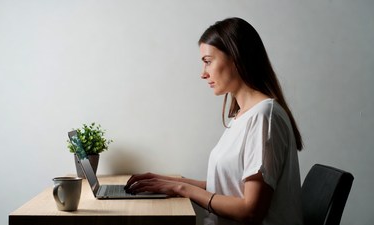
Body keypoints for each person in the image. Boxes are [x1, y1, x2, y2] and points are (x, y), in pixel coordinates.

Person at [124, 17, 304, 225]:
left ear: (236, 58)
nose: (203, 74)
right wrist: (168, 182)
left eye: (208, 61)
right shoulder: (243, 116)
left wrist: (181, 189)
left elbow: (250, 211)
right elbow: (228, 187)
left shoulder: (264, 116)